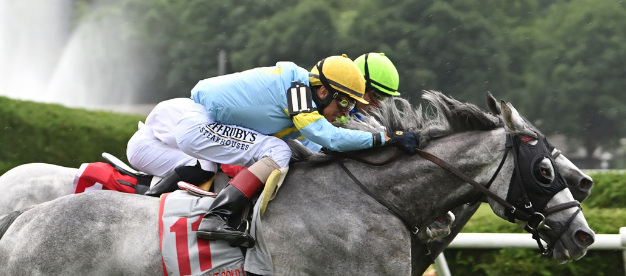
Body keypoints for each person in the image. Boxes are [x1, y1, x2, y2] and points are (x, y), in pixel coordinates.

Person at [128, 55, 419, 246]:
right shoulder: (298, 90)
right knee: (277, 151)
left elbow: (318, 142)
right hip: (195, 124)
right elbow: (325, 138)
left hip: (200, 122)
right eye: (344, 104)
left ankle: (216, 214)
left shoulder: (305, 92)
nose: (346, 112)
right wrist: (385, 138)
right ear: (323, 91)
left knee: (280, 152)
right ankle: (216, 217)